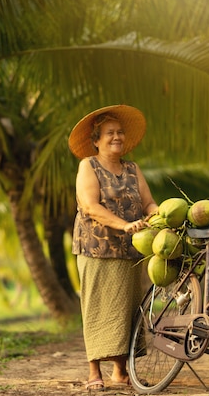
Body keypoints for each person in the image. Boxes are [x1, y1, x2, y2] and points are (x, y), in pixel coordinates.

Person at [68, 105, 158, 391]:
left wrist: (159, 215)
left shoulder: (132, 168)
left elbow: (148, 203)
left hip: (131, 251)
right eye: (109, 133)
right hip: (96, 249)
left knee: (129, 309)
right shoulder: (88, 166)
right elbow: (90, 206)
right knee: (97, 308)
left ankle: (121, 371)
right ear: (96, 140)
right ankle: (93, 370)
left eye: (120, 132)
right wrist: (123, 225)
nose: (116, 137)